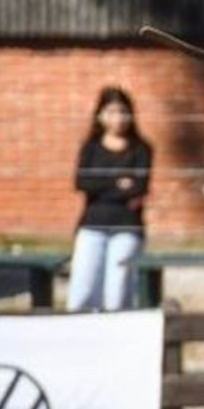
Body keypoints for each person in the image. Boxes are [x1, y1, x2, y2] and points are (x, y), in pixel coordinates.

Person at [67, 87, 152, 311]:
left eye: (123, 112)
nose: (118, 118)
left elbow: (139, 187)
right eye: (111, 111)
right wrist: (118, 182)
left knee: (118, 293)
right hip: (92, 224)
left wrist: (104, 182)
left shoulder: (141, 149)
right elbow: (82, 183)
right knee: (83, 290)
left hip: (126, 226)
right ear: (100, 114)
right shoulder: (91, 147)